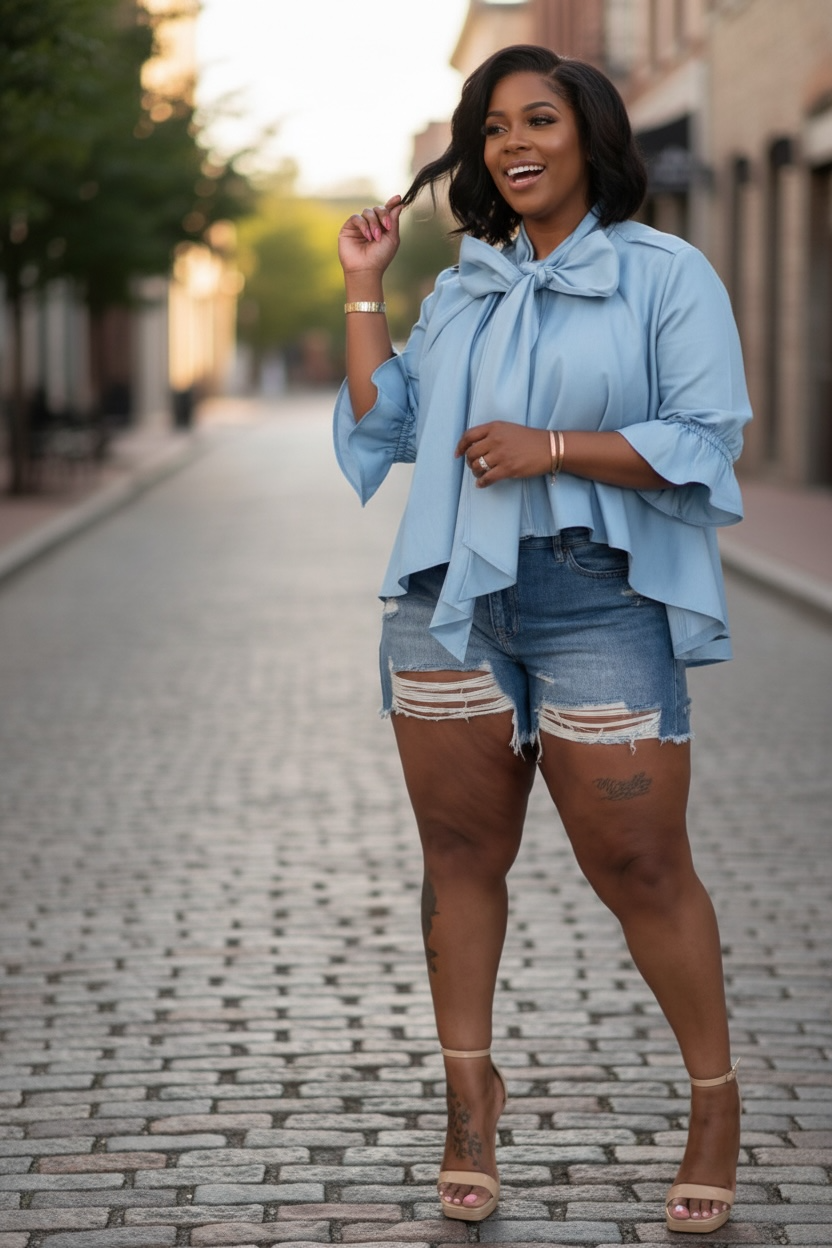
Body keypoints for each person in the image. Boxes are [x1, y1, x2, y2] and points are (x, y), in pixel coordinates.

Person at [334, 44, 750, 1234]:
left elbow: (704, 437)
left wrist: (552, 449)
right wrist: (364, 288)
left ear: (590, 136)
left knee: (641, 867)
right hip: (449, 599)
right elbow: (388, 426)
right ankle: (469, 1100)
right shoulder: (463, 287)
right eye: (493, 128)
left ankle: (713, 1102)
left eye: (538, 120)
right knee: (460, 856)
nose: (512, 144)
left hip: (596, 596)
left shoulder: (664, 275)